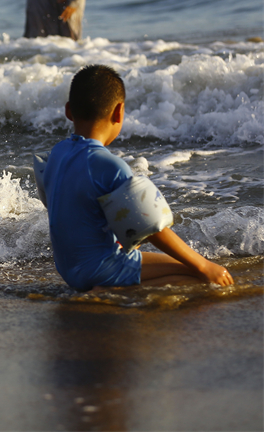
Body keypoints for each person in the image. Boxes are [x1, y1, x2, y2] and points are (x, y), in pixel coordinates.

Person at [38, 64, 234, 291]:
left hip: (69, 269)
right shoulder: (108, 165)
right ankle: (113, 292)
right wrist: (204, 265)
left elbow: (74, 208)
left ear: (69, 111)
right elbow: (152, 228)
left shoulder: (57, 154)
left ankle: (110, 287)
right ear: (119, 112)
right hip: (101, 269)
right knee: (202, 279)